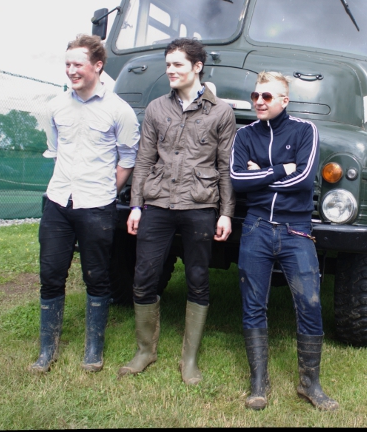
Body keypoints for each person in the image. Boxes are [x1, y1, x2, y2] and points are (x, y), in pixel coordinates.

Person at [118, 38, 236, 385]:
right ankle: (145, 351)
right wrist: (136, 205)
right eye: (168, 64)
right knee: (144, 276)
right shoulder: (156, 108)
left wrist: (226, 213)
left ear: (197, 67)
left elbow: (226, 167)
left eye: (178, 64)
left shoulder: (221, 112)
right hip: (157, 203)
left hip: (200, 204)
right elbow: (144, 160)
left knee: (198, 278)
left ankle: (190, 360)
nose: (170, 70)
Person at [30, 34, 140, 373]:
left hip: (97, 207)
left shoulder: (119, 111)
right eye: (67, 64)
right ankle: (47, 350)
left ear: (98, 66)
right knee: (51, 274)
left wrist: (105, 191)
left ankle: (93, 349)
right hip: (58, 203)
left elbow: (128, 160)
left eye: (78, 64)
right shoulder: (55, 107)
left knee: (97, 276)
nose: (71, 70)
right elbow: (56, 149)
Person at [230, 71, 339, 412]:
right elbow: (236, 180)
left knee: (310, 303)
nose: (258, 102)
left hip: (296, 230)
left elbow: (304, 179)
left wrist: (259, 173)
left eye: (266, 96)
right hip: (256, 227)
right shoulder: (244, 134)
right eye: (255, 96)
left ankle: (310, 384)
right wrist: (281, 169)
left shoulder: (305, 131)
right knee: (253, 304)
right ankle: (258, 383)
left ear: (284, 100)